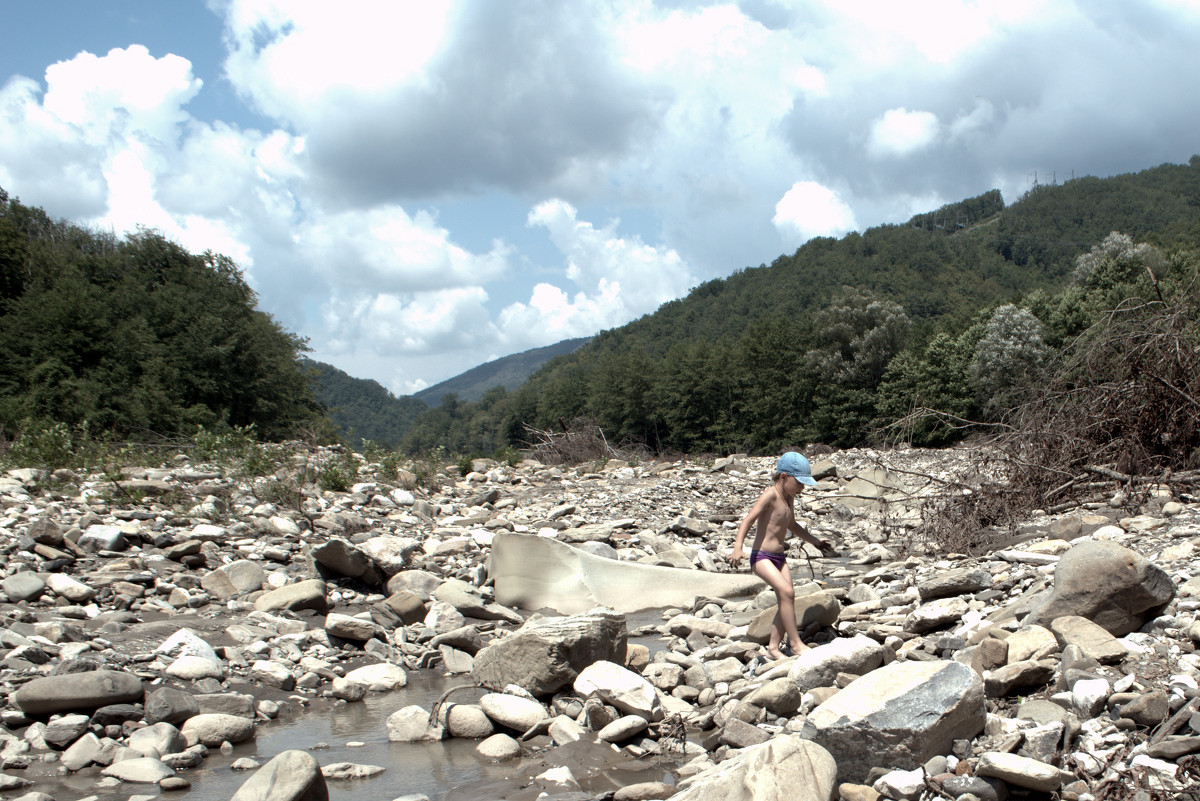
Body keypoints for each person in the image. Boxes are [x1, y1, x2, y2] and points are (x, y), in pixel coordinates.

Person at [727, 452, 835, 661]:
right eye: (799, 482)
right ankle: (795, 644)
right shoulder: (770, 495)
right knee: (786, 592)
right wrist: (738, 547)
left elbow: (792, 525)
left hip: (779, 557)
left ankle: (774, 647)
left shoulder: (789, 498)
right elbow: (747, 520)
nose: (802, 488)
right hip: (761, 557)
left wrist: (816, 542)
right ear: (784, 477)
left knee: (787, 596)